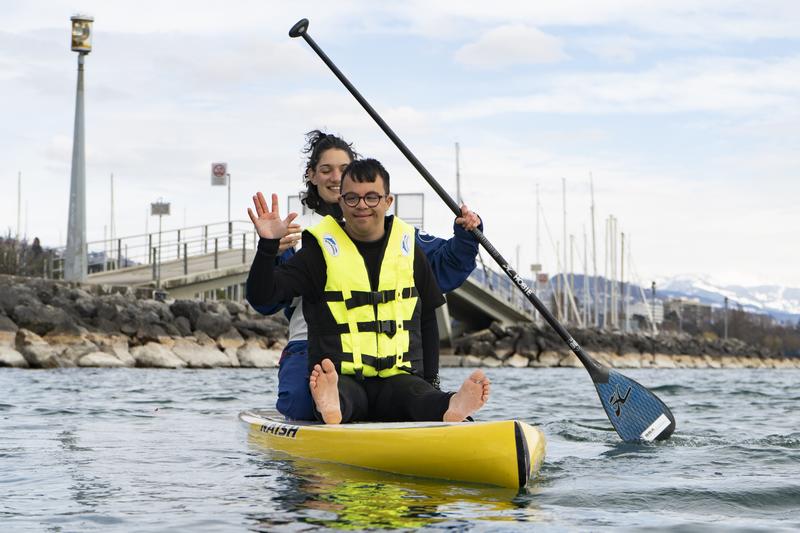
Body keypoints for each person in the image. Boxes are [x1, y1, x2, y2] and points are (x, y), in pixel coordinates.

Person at [248, 130, 483, 421]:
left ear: (385, 199)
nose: (336, 177)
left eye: (344, 169)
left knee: (415, 395)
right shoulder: (298, 233)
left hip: (387, 356)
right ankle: (330, 403)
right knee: (303, 403)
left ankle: (446, 406)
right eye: (326, 170)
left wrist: (467, 234)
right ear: (312, 175)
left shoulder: (398, 237)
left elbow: (442, 273)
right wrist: (269, 248)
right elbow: (267, 298)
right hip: (315, 347)